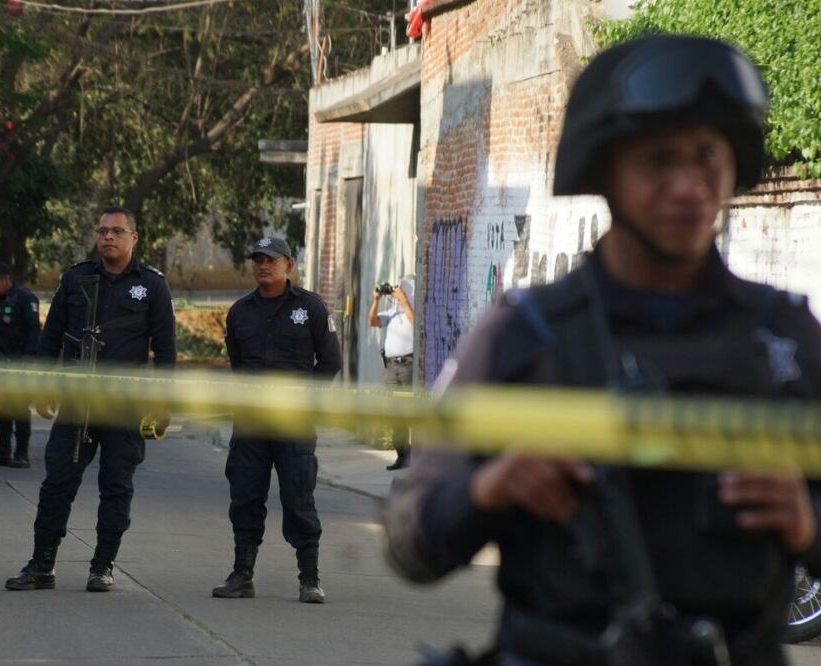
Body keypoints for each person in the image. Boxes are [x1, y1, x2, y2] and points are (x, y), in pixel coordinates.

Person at [381, 35, 821, 665]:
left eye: (708, 158)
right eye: (658, 161)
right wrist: (490, 488)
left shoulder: (786, 340)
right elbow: (407, 544)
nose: (689, 186)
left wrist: (805, 522)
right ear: (605, 168)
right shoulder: (526, 335)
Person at [5, 205, 175, 593]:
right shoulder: (77, 279)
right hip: (77, 402)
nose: (108, 237)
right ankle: (42, 565)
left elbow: (164, 351)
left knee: (116, 487)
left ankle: (103, 565)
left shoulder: (152, 285)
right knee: (57, 484)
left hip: (124, 406)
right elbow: (52, 338)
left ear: (134, 237)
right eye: (102, 231)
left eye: (117, 231)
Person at [211, 236, 341, 604]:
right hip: (251, 423)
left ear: (289, 265)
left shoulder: (311, 308)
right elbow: (238, 365)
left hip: (294, 424)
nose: (262, 266)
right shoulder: (240, 312)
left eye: (270, 260)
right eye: (257, 260)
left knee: (298, 497)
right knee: (245, 497)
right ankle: (242, 575)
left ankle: (310, 579)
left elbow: (330, 362)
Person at [0, 261, 41, 468]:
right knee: (1, 410)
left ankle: (21, 453)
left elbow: (34, 330)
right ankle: (1, 452)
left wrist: (30, 359)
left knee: (19, 410)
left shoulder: (24, 298)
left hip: (18, 363)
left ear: (6, 279)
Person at [368, 276, 416, 469]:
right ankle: (402, 455)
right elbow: (373, 321)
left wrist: (405, 302)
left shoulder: (414, 309)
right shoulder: (394, 311)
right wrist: (376, 300)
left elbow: (417, 324)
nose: (398, 293)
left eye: (403, 289)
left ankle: (416, 455)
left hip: (408, 366)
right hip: (391, 368)